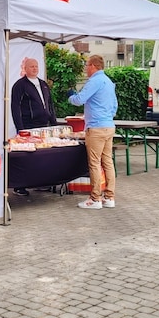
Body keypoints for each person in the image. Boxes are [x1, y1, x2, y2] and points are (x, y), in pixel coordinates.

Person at [68, 55, 118, 209]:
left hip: (96, 128)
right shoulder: (109, 82)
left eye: (86, 65)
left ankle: (95, 199)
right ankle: (109, 197)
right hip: (109, 125)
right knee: (108, 162)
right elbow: (115, 106)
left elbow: (80, 99)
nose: (85, 68)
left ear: (93, 66)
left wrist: (70, 96)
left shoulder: (94, 81)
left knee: (94, 163)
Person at [10, 58, 56, 196]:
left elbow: (50, 104)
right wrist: (20, 128)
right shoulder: (19, 85)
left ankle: (41, 183)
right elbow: (15, 107)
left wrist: (53, 122)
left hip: (44, 125)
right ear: (25, 68)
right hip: (28, 126)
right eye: (31, 66)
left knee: (43, 156)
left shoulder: (43, 84)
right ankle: (20, 186)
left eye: (36, 66)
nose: (35, 69)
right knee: (27, 157)